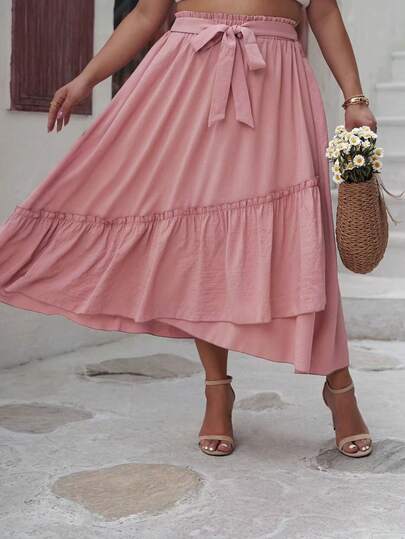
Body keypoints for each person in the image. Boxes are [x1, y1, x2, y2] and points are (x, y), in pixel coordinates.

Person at [0, 0, 375, 458]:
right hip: (187, 74)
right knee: (199, 238)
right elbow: (146, 15)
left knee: (301, 235)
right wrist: (86, 79)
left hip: (275, 79)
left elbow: (325, 12)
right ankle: (217, 389)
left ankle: (339, 385)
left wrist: (355, 98)